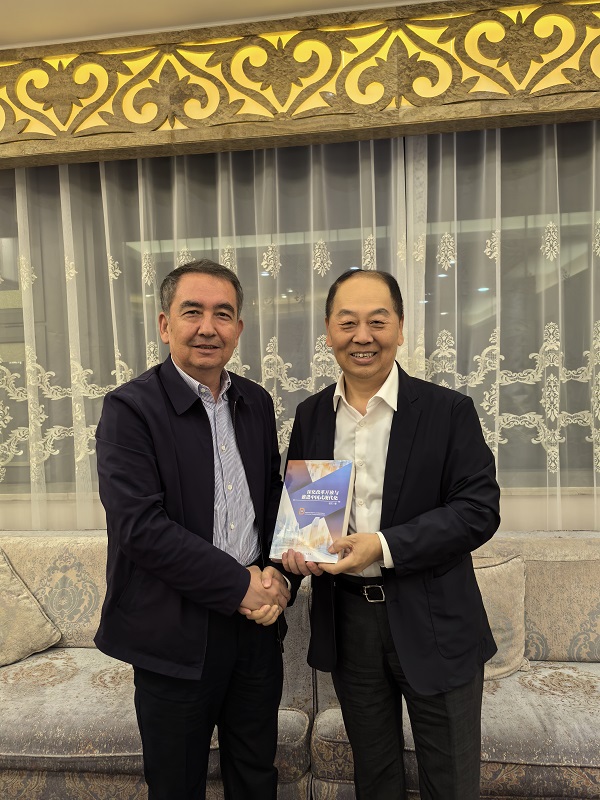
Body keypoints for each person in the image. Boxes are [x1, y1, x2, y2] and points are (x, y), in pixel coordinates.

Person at [282, 268, 500, 800]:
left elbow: (478, 510)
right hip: (349, 621)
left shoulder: (448, 411)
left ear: (400, 329)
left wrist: (381, 545)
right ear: (328, 332)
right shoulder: (311, 415)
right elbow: (307, 517)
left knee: (451, 784)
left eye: (377, 321)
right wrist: (294, 559)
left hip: (435, 619)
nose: (363, 336)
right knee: (374, 778)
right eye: (347, 322)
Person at [94, 260, 294, 800]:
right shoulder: (129, 409)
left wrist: (278, 577)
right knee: (176, 783)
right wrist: (240, 586)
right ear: (165, 325)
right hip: (173, 633)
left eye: (222, 314)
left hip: (255, 630)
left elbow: (272, 502)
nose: (208, 327)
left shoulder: (256, 402)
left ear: (239, 328)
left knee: (256, 775)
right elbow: (141, 528)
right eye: (192, 312)